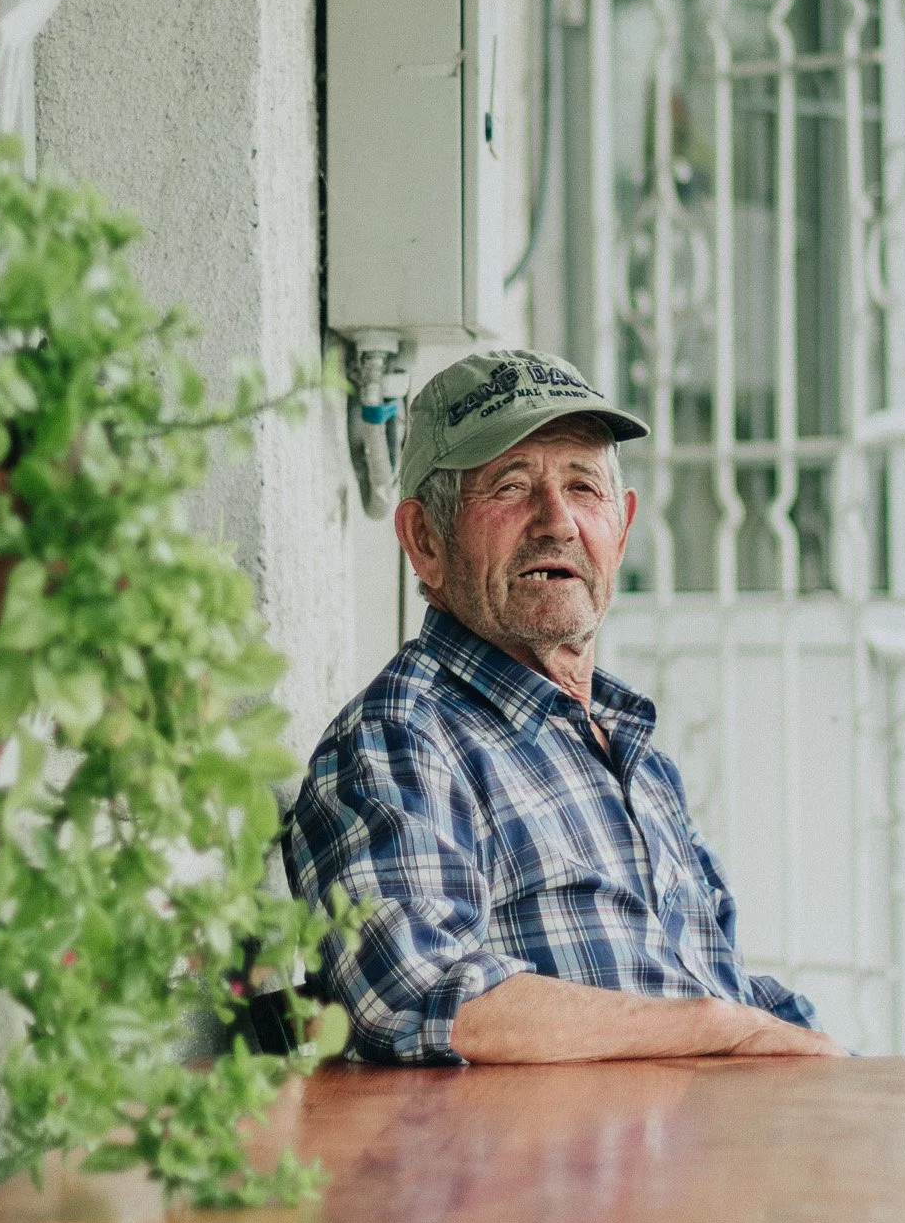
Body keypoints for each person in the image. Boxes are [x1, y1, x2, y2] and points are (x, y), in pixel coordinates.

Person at [286, 347, 842, 1068]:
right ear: (425, 541)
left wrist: (807, 1048)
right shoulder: (400, 742)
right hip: (559, 1172)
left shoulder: (627, 746)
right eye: (512, 487)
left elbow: (712, 984)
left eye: (584, 488)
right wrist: (719, 1028)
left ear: (623, 525)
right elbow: (414, 995)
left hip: (705, 1149)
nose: (557, 522)